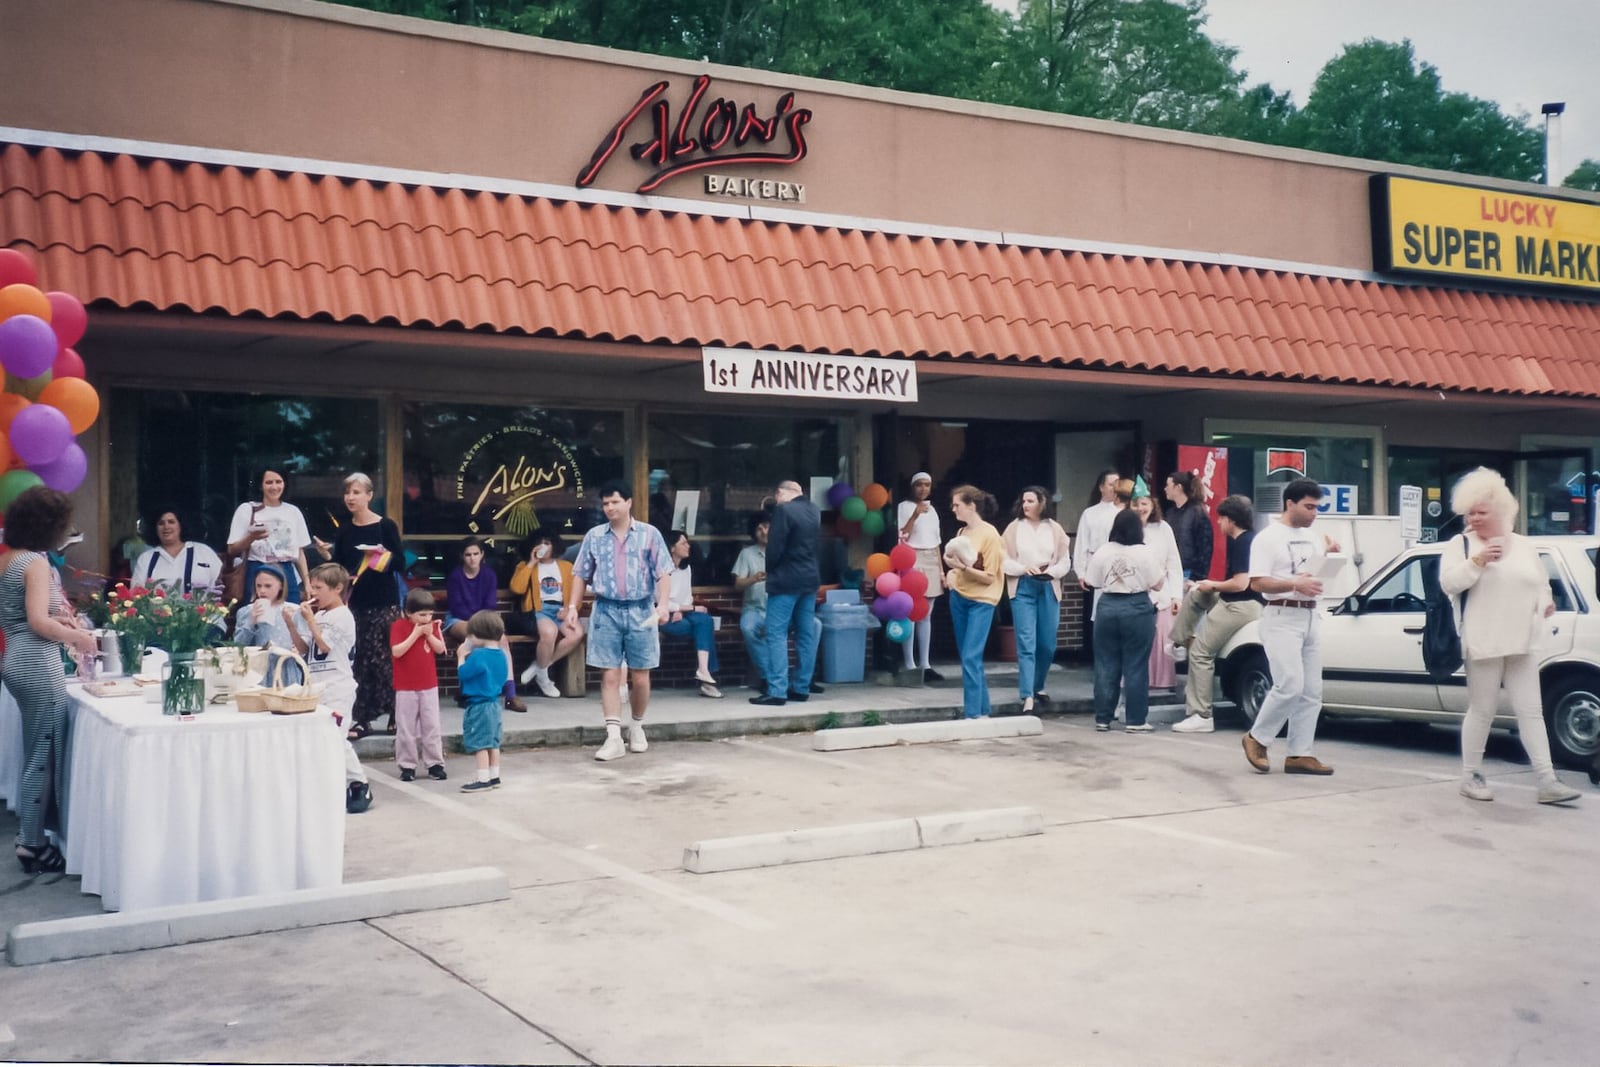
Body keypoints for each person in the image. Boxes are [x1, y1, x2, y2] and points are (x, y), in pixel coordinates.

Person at [1441, 468, 1581, 805]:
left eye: (1481, 511)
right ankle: (1470, 775)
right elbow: (1449, 585)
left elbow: (1540, 585)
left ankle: (1547, 779)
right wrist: (1477, 562)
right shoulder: (1460, 544)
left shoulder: (1524, 545)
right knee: (1482, 709)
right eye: (1469, 512)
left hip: (1523, 639)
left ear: (1501, 511)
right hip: (1483, 639)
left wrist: (1546, 604)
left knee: (1531, 710)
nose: (1473, 518)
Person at [3, 488, 99, 873]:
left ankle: (31, 832)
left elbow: (20, 616)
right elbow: (37, 622)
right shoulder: (36, 563)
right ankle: (32, 843)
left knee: (35, 749)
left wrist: (56, 622)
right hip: (36, 662)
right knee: (42, 755)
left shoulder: (9, 558)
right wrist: (79, 637)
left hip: (15, 658)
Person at [563, 480, 674, 761]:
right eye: (605, 503)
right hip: (606, 609)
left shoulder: (649, 535)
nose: (609, 507)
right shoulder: (595, 536)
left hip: (640, 609)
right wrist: (573, 606)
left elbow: (663, 573)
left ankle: (637, 726)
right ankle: (613, 737)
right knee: (609, 674)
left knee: (640, 675)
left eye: (614, 501)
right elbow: (580, 573)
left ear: (628, 502)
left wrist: (663, 605)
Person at [1241, 478, 1336, 775]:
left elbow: (1310, 572)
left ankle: (1300, 752)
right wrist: (1295, 583)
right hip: (1281, 614)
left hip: (1308, 614)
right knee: (1290, 683)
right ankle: (1258, 737)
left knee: (1311, 690)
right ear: (1290, 503)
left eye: (1317, 507)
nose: (1313, 513)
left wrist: (1329, 555)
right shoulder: (1268, 538)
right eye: (1308, 506)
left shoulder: (1312, 536)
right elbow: (1257, 581)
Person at [313, 473, 404, 740]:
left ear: (368, 495)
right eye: (347, 493)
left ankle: (396, 714)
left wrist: (378, 557)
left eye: (356, 492)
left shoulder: (385, 526)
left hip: (383, 602)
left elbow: (400, 562)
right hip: (355, 604)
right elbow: (339, 568)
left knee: (384, 660)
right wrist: (327, 556)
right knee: (360, 661)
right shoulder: (344, 529)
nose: (350, 497)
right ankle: (362, 718)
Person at [286, 562, 373, 814]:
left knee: (336, 736)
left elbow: (325, 646)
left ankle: (359, 783)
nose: (313, 593)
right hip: (317, 684)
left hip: (338, 685)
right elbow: (305, 650)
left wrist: (309, 619)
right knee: (320, 738)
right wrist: (292, 624)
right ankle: (331, 786)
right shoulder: (321, 615)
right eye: (311, 587)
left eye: (319, 587)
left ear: (337, 589)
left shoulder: (343, 615)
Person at [1172, 495, 1261, 733]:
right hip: (1235, 600)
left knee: (1201, 653)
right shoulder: (1248, 540)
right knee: (1195, 594)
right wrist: (1205, 586)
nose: (1218, 523)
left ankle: (1201, 715)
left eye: (1221, 518)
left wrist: (1213, 584)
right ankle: (1178, 641)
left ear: (1231, 520)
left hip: (1240, 605)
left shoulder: (1243, 542)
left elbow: (1241, 583)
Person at [1084, 508, 1165, 732]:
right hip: (1137, 605)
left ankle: (1103, 718)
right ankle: (1136, 720)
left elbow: (1092, 580)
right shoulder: (1144, 552)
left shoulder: (1103, 551)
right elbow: (1158, 584)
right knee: (1136, 664)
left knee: (1105, 663)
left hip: (1108, 606)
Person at [749, 480, 822, 707]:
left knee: (776, 634)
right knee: (805, 634)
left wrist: (770, 570)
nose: (776, 500)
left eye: (776, 496)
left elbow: (775, 547)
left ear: (781, 493)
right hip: (809, 578)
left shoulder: (783, 510)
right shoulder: (814, 510)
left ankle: (777, 690)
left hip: (786, 580)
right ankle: (801, 687)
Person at [1001, 485, 1072, 714]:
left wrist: (1053, 572)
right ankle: (1027, 695)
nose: (1026, 505)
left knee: (1047, 643)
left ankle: (1038, 685)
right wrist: (1023, 568)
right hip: (1023, 585)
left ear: (1042, 502)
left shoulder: (1055, 529)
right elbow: (1003, 560)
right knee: (1026, 642)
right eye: (1024, 501)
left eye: (1030, 501)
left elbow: (1065, 561)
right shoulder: (1014, 528)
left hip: (1048, 584)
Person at [443, 538, 525, 713]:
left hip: (484, 619)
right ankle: (469, 690)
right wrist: (477, 624)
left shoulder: (489, 575)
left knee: (502, 640)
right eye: (468, 555)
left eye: (475, 554)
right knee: (473, 637)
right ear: (462, 557)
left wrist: (482, 623)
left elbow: (490, 604)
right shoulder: (456, 576)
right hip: (458, 619)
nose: (472, 558)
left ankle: (510, 694)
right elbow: (457, 606)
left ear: (482, 555)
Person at [943, 485, 1005, 719]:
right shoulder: (962, 533)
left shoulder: (990, 535)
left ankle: (971, 713)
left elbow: (990, 576)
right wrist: (952, 570)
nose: (954, 508)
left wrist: (962, 567)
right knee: (969, 656)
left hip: (982, 600)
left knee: (970, 655)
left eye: (957, 504)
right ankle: (983, 710)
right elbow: (956, 564)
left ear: (972, 506)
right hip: (959, 596)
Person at [508, 532, 582, 698]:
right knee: (549, 633)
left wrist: (570, 608)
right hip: (539, 609)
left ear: (554, 545)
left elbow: (576, 591)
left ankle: (539, 667)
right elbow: (517, 588)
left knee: (575, 634)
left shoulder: (566, 566)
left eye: (547, 542)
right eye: (539, 543)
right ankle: (544, 678)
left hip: (561, 609)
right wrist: (532, 563)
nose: (543, 546)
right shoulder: (524, 565)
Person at [226, 468, 312, 605]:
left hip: (286, 570)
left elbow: (299, 552)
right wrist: (252, 537)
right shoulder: (247, 509)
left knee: (290, 613)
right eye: (269, 482)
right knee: (257, 614)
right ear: (261, 485)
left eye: (279, 482)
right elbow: (232, 549)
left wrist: (307, 583)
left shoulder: (293, 511)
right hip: (257, 568)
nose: (274, 487)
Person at [391, 587, 448, 783]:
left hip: (428, 685)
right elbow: (397, 651)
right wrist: (415, 634)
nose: (426, 618)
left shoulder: (433, 626)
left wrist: (429, 634)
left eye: (430, 614)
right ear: (409, 613)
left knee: (431, 725)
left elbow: (440, 649)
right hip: (405, 686)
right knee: (406, 727)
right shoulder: (399, 626)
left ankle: (435, 763)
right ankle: (407, 765)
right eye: (422, 614)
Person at [659, 530, 724, 698]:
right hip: (662, 615)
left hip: (682, 613)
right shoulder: (660, 570)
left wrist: (681, 609)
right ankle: (707, 680)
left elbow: (686, 598)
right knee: (703, 627)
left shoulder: (686, 569)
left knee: (705, 621)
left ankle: (703, 670)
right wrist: (681, 609)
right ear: (672, 548)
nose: (688, 546)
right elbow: (658, 601)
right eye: (684, 543)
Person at [1132, 480, 1184, 690]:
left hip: (1162, 593)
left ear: (1152, 505)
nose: (1140, 508)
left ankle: (1161, 682)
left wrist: (1177, 596)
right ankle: (1136, 680)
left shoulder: (1164, 528)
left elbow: (1174, 563)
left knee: (1163, 637)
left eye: (1144, 503)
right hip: (1134, 592)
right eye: (1135, 504)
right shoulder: (1125, 528)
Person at [896, 472, 944, 681]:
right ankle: (909, 662)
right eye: (919, 485)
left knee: (927, 612)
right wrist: (915, 515)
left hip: (931, 557)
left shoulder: (933, 510)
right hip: (912, 557)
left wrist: (942, 570)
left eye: (927, 485)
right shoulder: (904, 506)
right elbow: (902, 534)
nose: (923, 489)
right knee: (911, 610)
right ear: (912, 487)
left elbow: (936, 542)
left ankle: (925, 662)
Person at [457, 610, 510, 793]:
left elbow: (464, 674)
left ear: (479, 635)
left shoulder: (479, 655)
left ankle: (482, 779)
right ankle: (494, 776)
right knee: (493, 742)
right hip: (494, 703)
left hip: (479, 704)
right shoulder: (502, 654)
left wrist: (461, 658)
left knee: (480, 743)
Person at [1072, 469, 1121, 657]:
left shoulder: (1125, 511)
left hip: (1120, 569)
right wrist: (1081, 572)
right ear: (1101, 487)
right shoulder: (1090, 513)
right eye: (1111, 484)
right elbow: (1082, 544)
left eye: (1118, 484)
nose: (1114, 488)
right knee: (1098, 615)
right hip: (1096, 570)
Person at [133, 509, 223, 596]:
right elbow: (136, 593)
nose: (166, 526)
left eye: (171, 522)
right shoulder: (146, 558)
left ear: (180, 525)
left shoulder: (203, 551)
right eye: (161, 523)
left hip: (203, 610)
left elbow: (221, 582)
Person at [732, 514, 771, 690]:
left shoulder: (784, 551)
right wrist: (753, 579)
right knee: (747, 628)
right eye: (759, 529)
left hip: (779, 609)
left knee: (814, 625)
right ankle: (767, 676)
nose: (763, 532)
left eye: (766, 526)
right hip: (754, 608)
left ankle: (805, 679)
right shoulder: (746, 554)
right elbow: (738, 585)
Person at [232, 563, 305, 648]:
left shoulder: (294, 610)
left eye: (268, 586)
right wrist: (250, 623)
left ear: (281, 586)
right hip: (259, 659)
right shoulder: (245, 611)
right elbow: (238, 646)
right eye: (258, 586)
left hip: (286, 658)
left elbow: (305, 645)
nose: (262, 590)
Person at [1165, 470, 1215, 585]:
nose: (1165, 488)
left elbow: (1205, 549)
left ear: (1178, 487)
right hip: (1170, 571)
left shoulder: (1198, 513)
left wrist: (1196, 577)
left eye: (1168, 485)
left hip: (1188, 574)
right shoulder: (1170, 513)